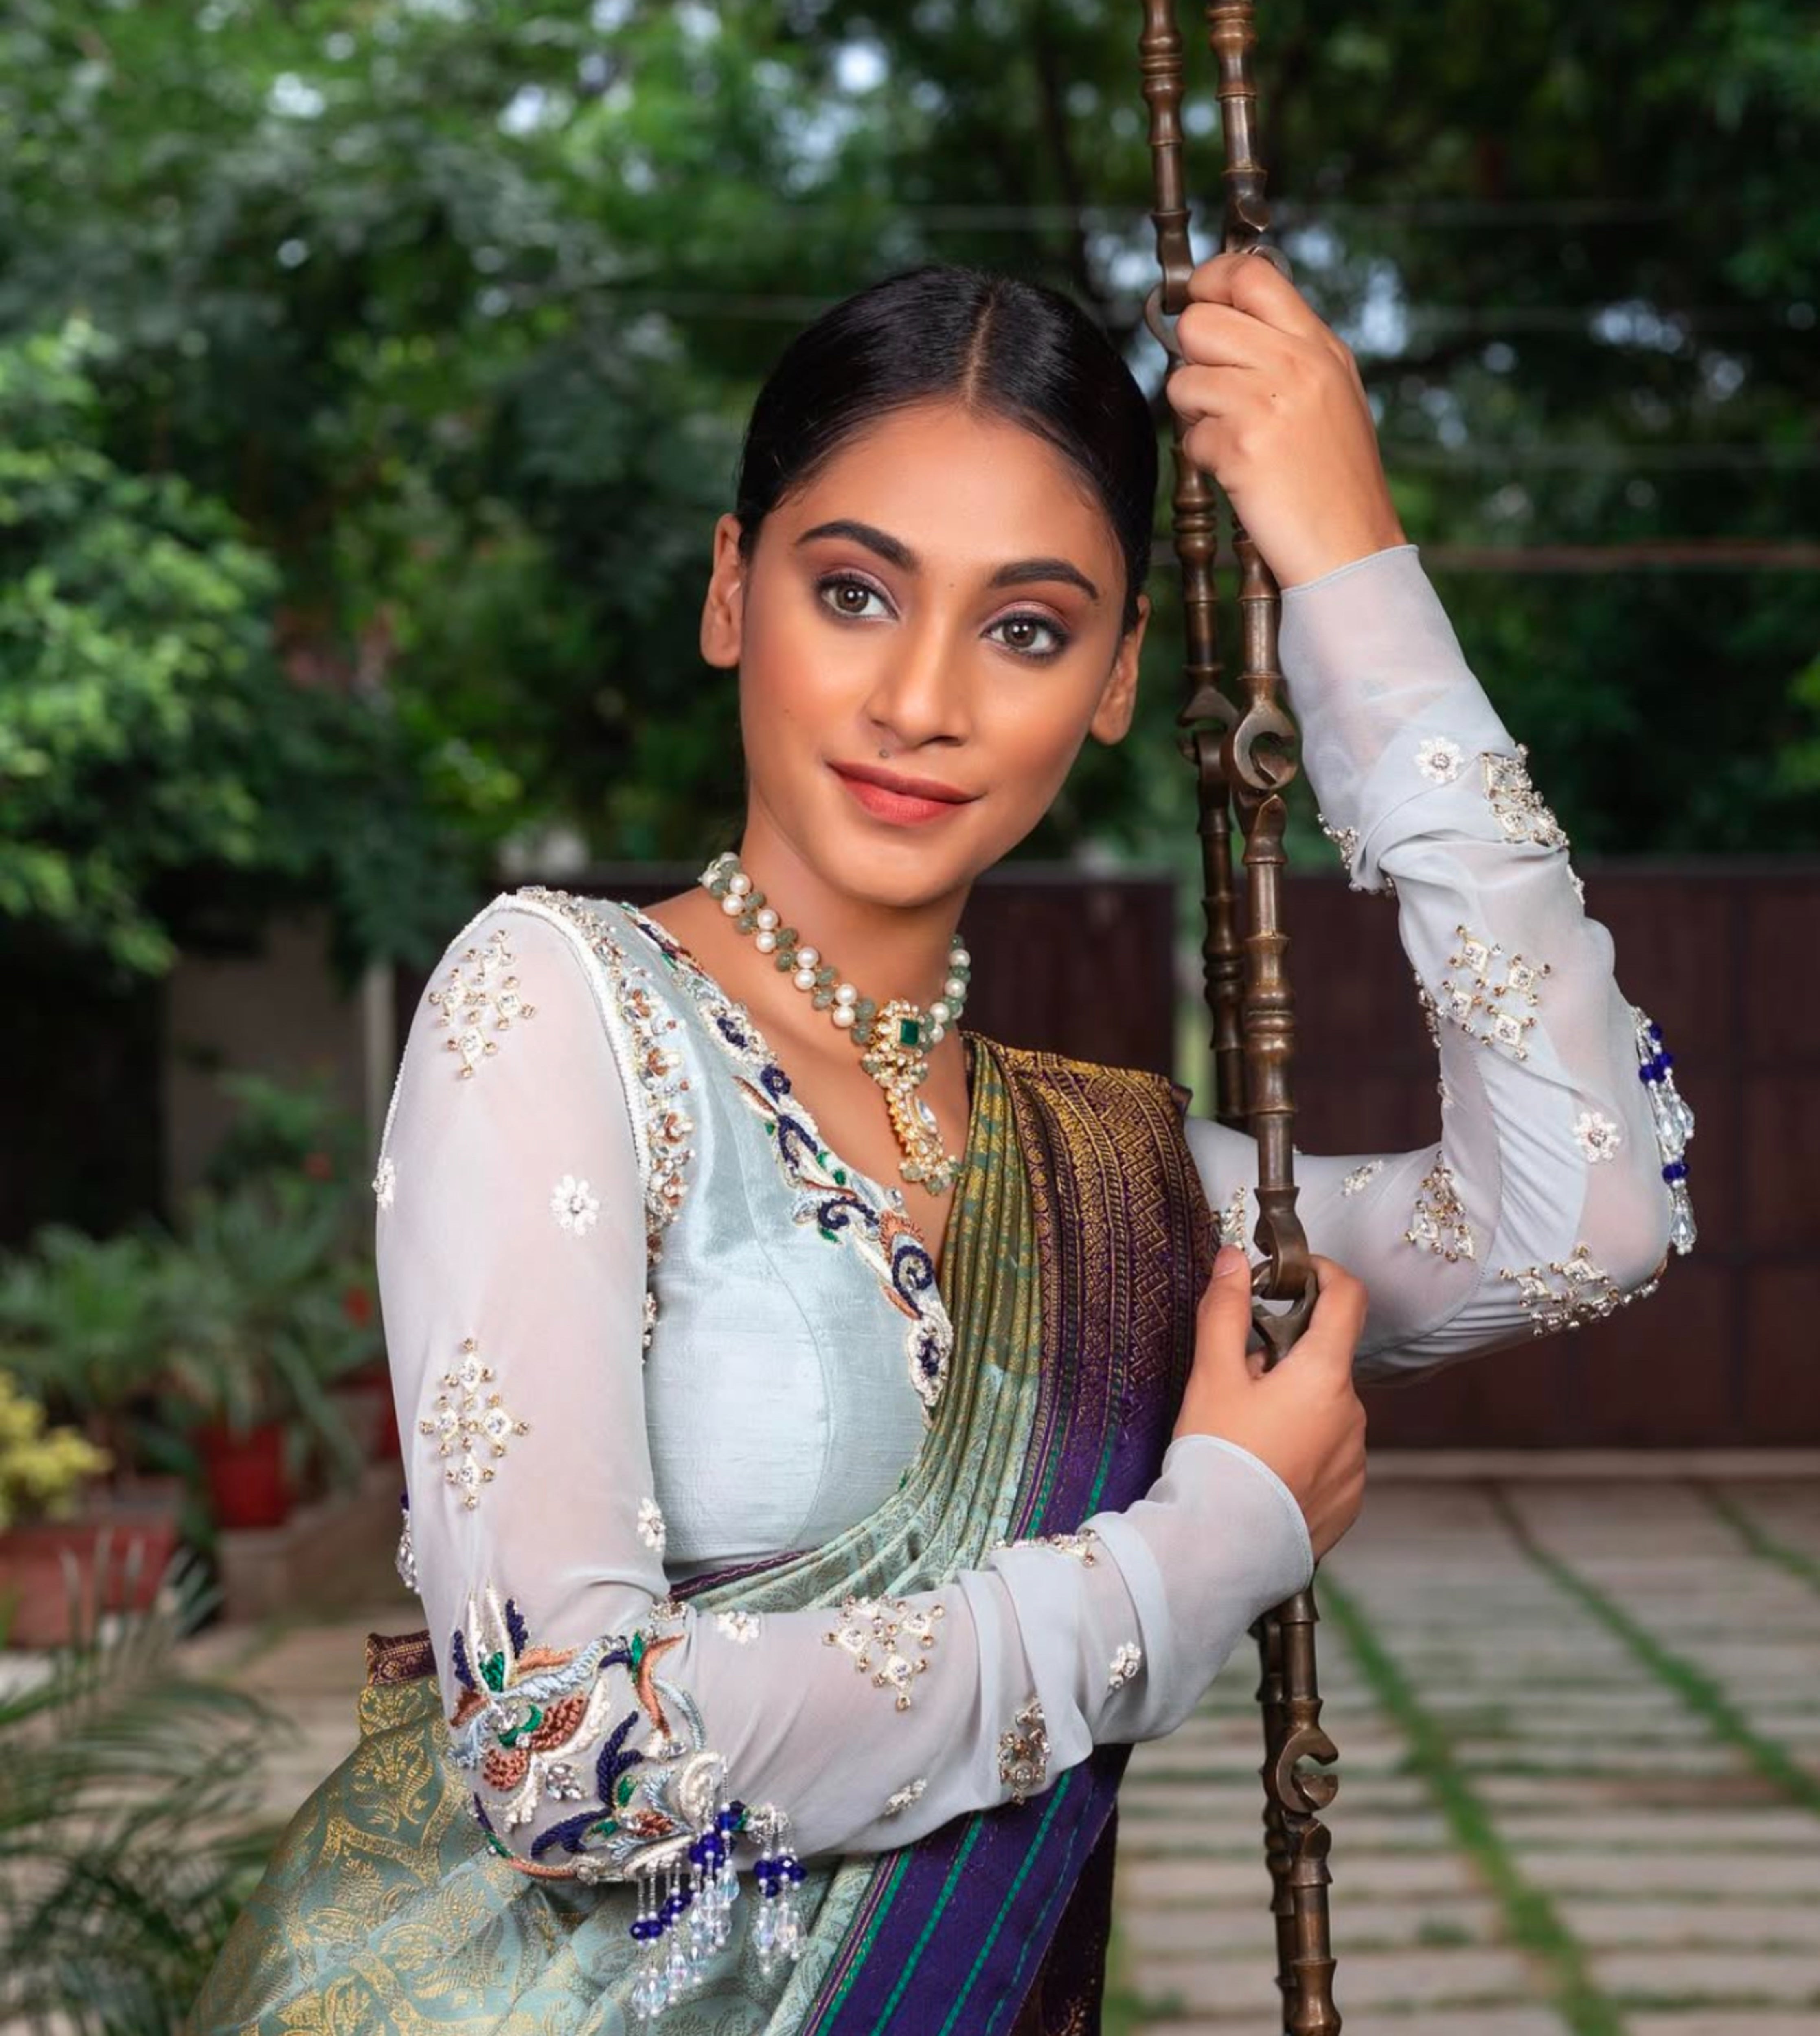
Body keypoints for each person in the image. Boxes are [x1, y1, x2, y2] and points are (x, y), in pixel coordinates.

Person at [190, 255, 1688, 2034]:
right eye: (852, 590)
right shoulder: (558, 1003)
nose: (921, 697)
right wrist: (1197, 1553)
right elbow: (567, 1752)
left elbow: (1584, 1210)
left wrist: (1351, 579)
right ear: (731, 589)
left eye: (1027, 627)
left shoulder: (1122, 1175)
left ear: (1118, 677)